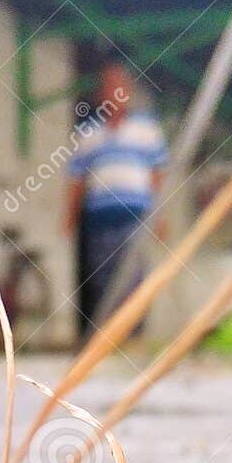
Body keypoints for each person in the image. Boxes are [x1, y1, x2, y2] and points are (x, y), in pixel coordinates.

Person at [64, 62, 168, 340]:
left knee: (133, 277)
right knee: (101, 276)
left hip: (136, 217)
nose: (113, 92)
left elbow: (158, 175)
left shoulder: (147, 130)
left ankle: (134, 335)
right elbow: (76, 179)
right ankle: (109, 338)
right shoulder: (88, 134)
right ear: (100, 95)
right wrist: (70, 218)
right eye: (108, 87)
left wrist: (160, 216)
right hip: (99, 219)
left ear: (128, 92)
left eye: (119, 87)